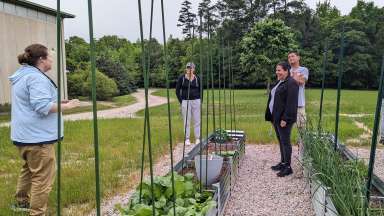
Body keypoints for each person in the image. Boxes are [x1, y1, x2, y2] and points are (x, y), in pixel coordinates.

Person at [9, 44, 80, 215]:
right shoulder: (36, 78)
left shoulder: (23, 75)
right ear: (41, 59)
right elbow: (41, 106)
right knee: (42, 178)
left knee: (28, 170)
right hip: (38, 139)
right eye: (49, 57)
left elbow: (33, 100)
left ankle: (21, 202)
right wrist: (68, 106)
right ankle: (37, 212)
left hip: (24, 136)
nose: (51, 60)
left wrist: (60, 102)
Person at [265, 62, 299, 177]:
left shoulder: (292, 83)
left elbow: (291, 103)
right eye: (276, 70)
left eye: (279, 70)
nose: (277, 72)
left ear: (286, 71)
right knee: (281, 141)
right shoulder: (280, 81)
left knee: (285, 142)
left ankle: (288, 167)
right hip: (276, 117)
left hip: (284, 119)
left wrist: (285, 118)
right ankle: (283, 162)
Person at [175, 62, 202, 146]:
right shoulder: (181, 78)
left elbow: (201, 90)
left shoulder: (197, 78)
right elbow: (177, 91)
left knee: (197, 120)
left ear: (194, 69)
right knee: (187, 120)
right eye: (188, 68)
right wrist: (181, 101)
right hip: (185, 101)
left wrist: (200, 101)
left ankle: (197, 138)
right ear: (186, 69)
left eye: (191, 68)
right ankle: (187, 139)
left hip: (196, 100)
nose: (189, 69)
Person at [288, 51, 309, 132]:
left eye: (292, 56)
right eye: (289, 57)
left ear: (298, 58)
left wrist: (292, 76)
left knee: (302, 128)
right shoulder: (286, 71)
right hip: (287, 104)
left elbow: (301, 82)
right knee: (286, 127)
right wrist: (296, 77)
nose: (290, 58)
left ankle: (302, 144)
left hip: (299, 104)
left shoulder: (304, 69)